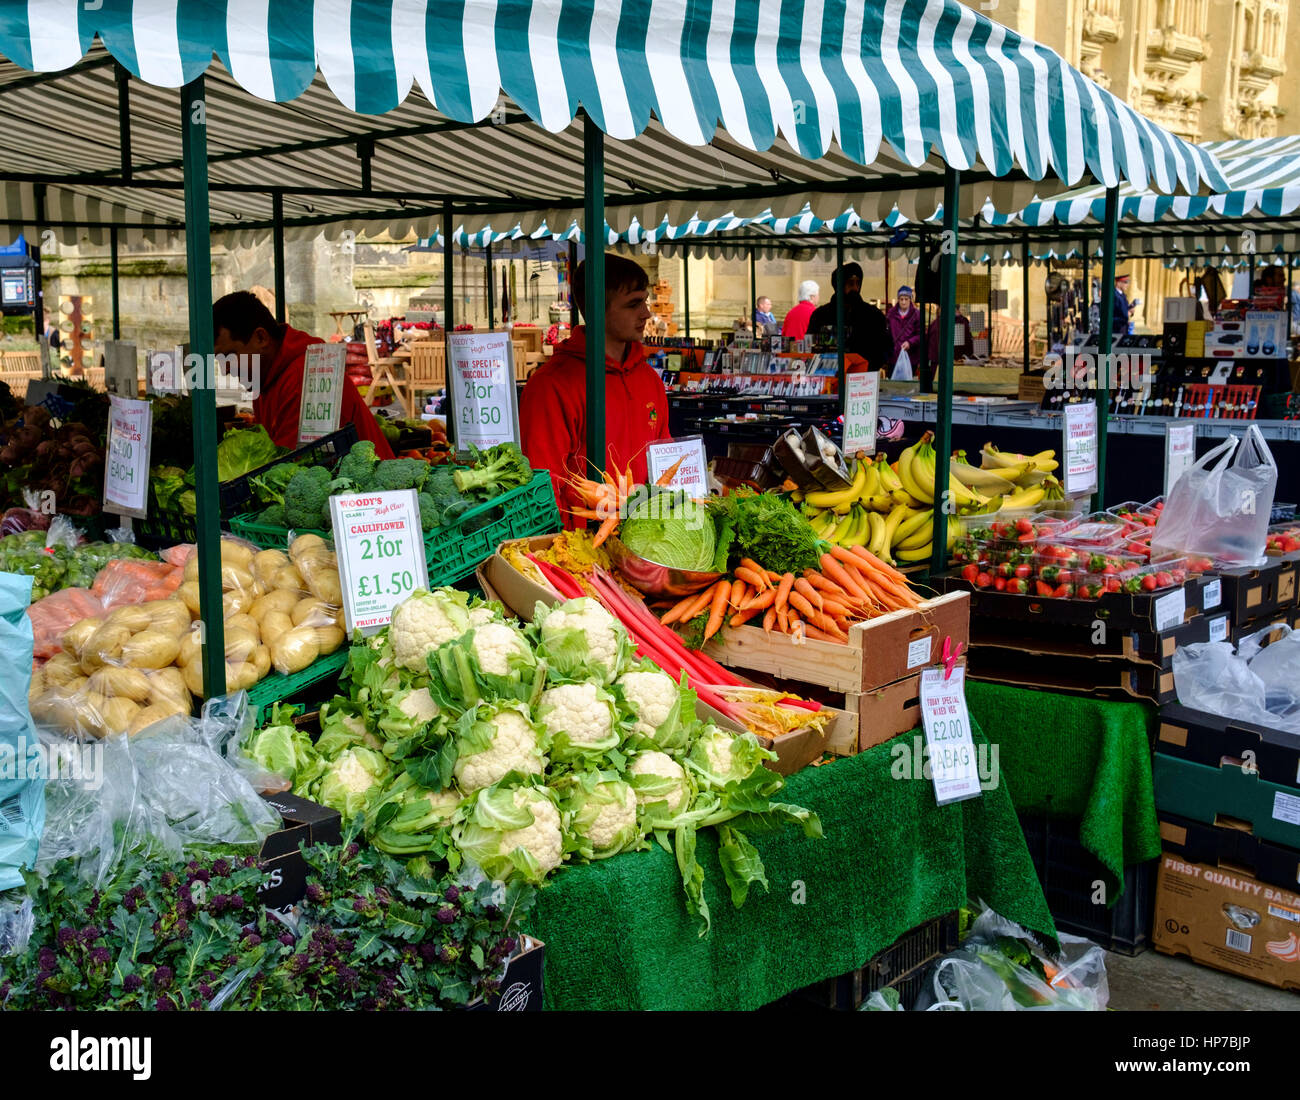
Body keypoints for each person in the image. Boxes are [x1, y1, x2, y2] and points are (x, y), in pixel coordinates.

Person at [520, 254, 669, 525]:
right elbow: (542, 484)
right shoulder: (551, 385)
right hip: (582, 544)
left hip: (646, 539)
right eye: (634, 304)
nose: (646, 313)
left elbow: (664, 459)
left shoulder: (649, 379)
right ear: (598, 308)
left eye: (644, 301)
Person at [211, 291, 395, 457]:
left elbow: (290, 465)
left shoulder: (305, 377)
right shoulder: (265, 376)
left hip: (373, 493)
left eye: (229, 356)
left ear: (261, 338)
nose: (225, 368)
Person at [805, 261, 892, 369]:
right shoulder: (821, 315)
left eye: (858, 283)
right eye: (850, 283)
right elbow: (810, 347)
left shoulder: (873, 316)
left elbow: (884, 349)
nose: (855, 288)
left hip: (864, 378)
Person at [885, 286, 921, 367]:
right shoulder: (891, 314)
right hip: (894, 358)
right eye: (901, 299)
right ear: (898, 299)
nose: (903, 302)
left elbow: (920, 335)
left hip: (910, 358)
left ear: (910, 299)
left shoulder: (916, 315)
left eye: (906, 299)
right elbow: (887, 333)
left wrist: (910, 342)